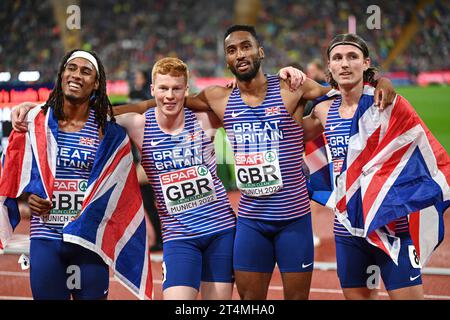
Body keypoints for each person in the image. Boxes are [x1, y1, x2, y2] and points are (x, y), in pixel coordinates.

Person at [112, 25, 395, 300]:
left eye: (246, 47)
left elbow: (342, 93)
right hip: (250, 223)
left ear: (260, 51)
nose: (240, 54)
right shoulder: (217, 97)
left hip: (293, 220)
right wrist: (107, 108)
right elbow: (163, 102)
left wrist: (379, 81)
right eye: (232, 50)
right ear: (227, 58)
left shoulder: (290, 87)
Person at [11, 57, 239, 301]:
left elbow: (253, 104)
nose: (170, 95)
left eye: (176, 89)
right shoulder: (138, 123)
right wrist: (35, 108)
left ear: (187, 90)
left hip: (221, 230)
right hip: (178, 237)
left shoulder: (207, 120)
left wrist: (278, 76)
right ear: (153, 90)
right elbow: (87, 111)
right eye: (163, 89)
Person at [305, 33, 450, 299]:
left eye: (352, 57)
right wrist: (291, 82)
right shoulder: (322, 111)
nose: (345, 63)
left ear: (365, 62)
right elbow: (287, 134)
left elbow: (421, 148)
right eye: (337, 58)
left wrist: (384, 82)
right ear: (330, 66)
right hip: (347, 227)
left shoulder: (386, 103)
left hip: (391, 224)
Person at [0, 49, 148, 299]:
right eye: (71, 68)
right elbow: (16, 173)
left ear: (97, 83)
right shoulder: (37, 121)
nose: (76, 75)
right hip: (47, 238)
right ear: (61, 75)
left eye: (86, 71)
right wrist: (27, 197)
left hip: (88, 239)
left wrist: (183, 99)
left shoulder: (106, 126)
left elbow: (146, 106)